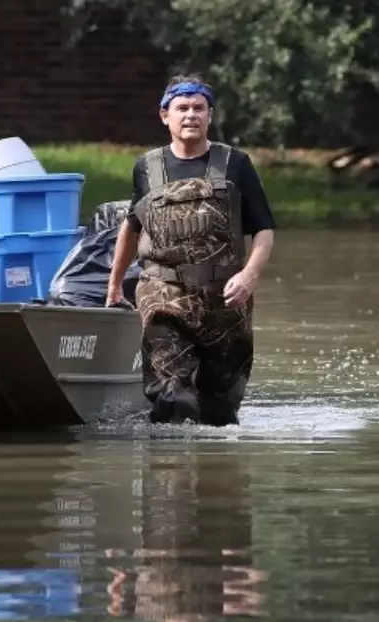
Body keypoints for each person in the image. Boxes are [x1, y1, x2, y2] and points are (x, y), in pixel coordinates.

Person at [106, 74, 276, 426]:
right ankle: (169, 472)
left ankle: (213, 473)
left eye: (199, 108)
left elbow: (263, 229)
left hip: (225, 301)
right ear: (164, 115)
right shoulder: (147, 168)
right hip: (163, 294)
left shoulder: (235, 164)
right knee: (172, 393)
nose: (190, 115)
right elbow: (131, 226)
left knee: (220, 413)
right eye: (181, 108)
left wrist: (249, 276)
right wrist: (114, 285)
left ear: (210, 115)